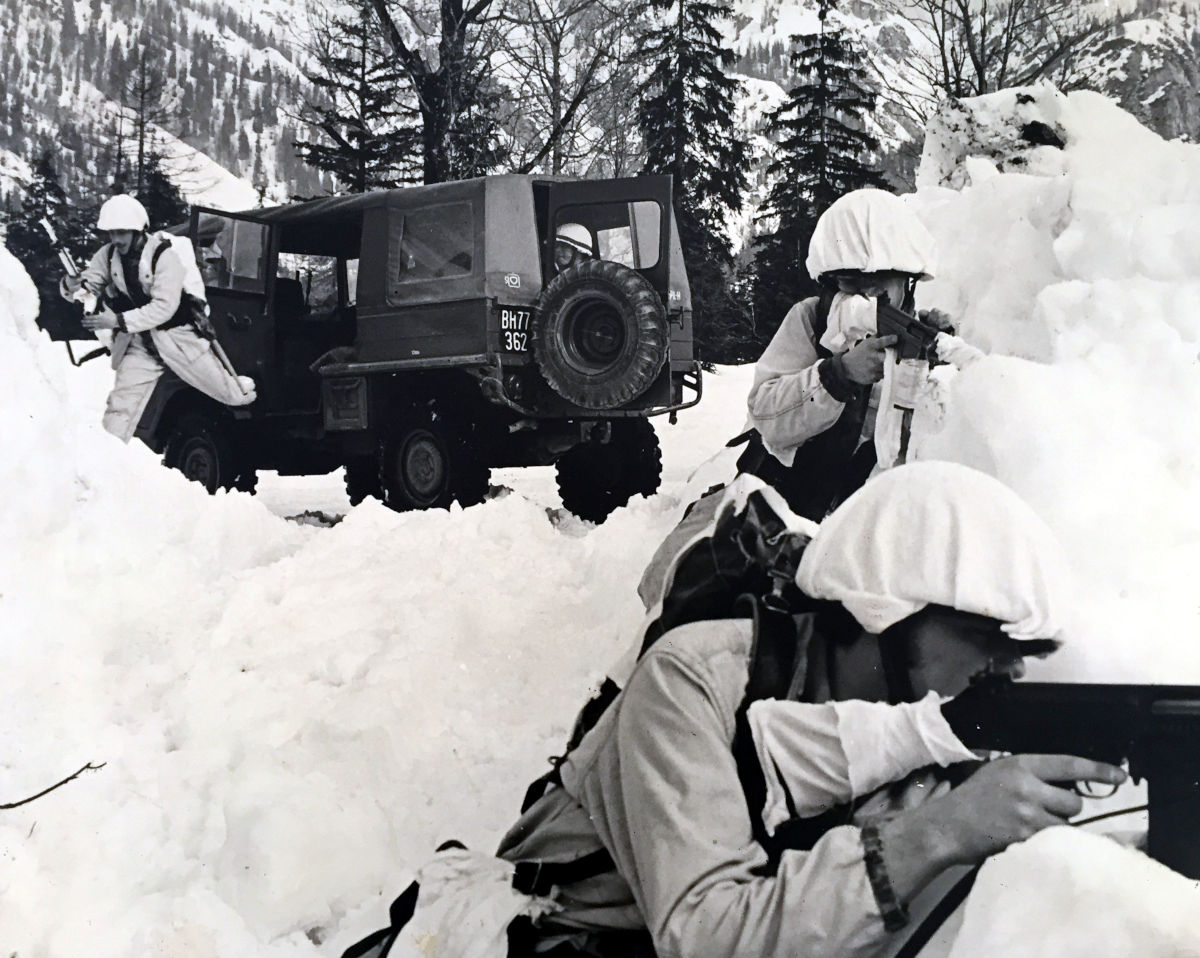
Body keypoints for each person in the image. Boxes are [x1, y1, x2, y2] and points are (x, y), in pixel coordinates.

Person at [493, 462, 1124, 958]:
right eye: (987, 639)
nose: (1009, 672)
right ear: (888, 613)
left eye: (1021, 653)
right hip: (569, 938)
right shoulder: (695, 679)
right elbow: (705, 935)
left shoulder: (923, 728)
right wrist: (942, 831)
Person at [737, 188, 951, 521]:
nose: (868, 292)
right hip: (785, 504)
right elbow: (765, 416)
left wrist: (937, 365)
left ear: (908, 281)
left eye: (881, 279)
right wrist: (838, 375)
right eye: (851, 282)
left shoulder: (917, 338)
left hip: (864, 519)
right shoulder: (811, 318)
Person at [61, 195, 256, 442]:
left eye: (122, 233)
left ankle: (242, 387)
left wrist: (117, 321)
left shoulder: (165, 257)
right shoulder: (108, 255)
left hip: (178, 337)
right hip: (141, 341)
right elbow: (90, 285)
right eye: (112, 233)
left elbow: (164, 307)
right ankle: (108, 457)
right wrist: (73, 284)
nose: (116, 239)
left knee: (233, 395)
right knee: (121, 404)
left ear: (138, 231)